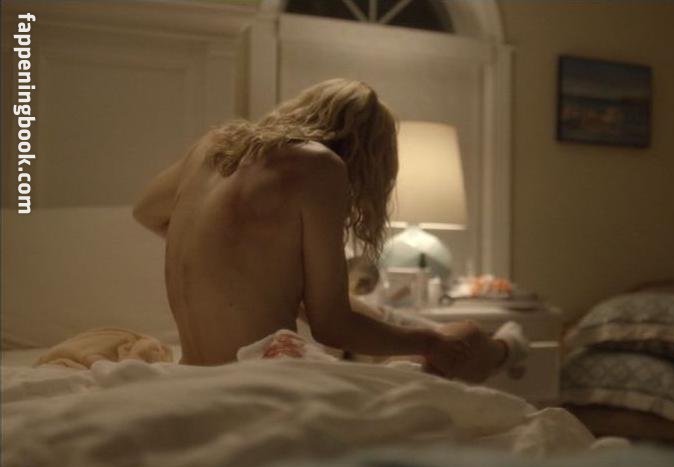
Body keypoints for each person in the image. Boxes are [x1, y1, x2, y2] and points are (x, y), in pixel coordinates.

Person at [133, 78, 509, 380]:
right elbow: (333, 327)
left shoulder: (213, 147)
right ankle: (508, 348)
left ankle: (506, 348)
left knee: (435, 336)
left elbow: (146, 211)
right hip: (257, 379)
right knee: (462, 337)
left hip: (190, 376)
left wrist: (223, 253)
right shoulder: (320, 166)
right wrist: (429, 342)